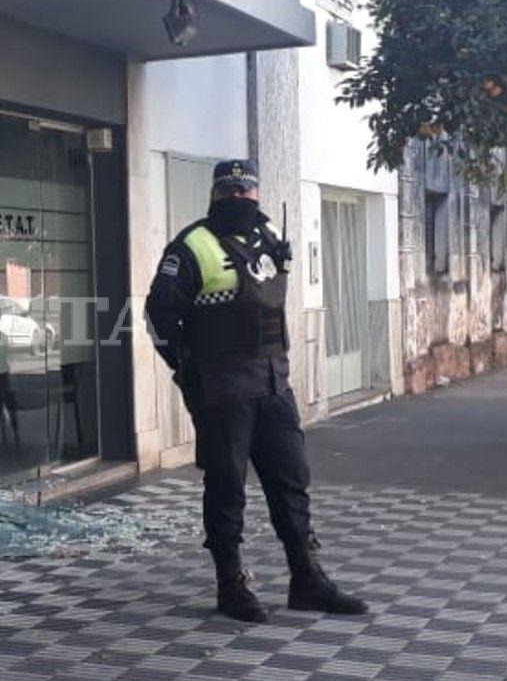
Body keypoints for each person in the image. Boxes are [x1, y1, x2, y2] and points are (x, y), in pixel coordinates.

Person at [145, 159, 367, 622]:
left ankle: (306, 579)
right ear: (215, 195)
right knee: (226, 487)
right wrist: (188, 369)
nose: (241, 200)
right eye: (231, 193)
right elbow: (160, 316)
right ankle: (231, 585)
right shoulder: (191, 247)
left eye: (247, 192)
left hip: (273, 384)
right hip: (222, 391)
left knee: (292, 482)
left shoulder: (267, 236)